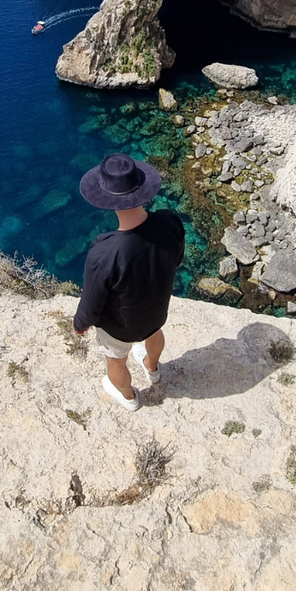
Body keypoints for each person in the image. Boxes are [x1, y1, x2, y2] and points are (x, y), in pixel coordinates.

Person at [73, 153, 185, 411]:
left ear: (107, 200)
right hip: (156, 313)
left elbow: (92, 302)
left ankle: (128, 397)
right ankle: (152, 369)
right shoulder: (170, 222)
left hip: (121, 327)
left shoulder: (104, 253)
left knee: (116, 360)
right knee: (154, 333)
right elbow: (176, 260)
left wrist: (80, 324)